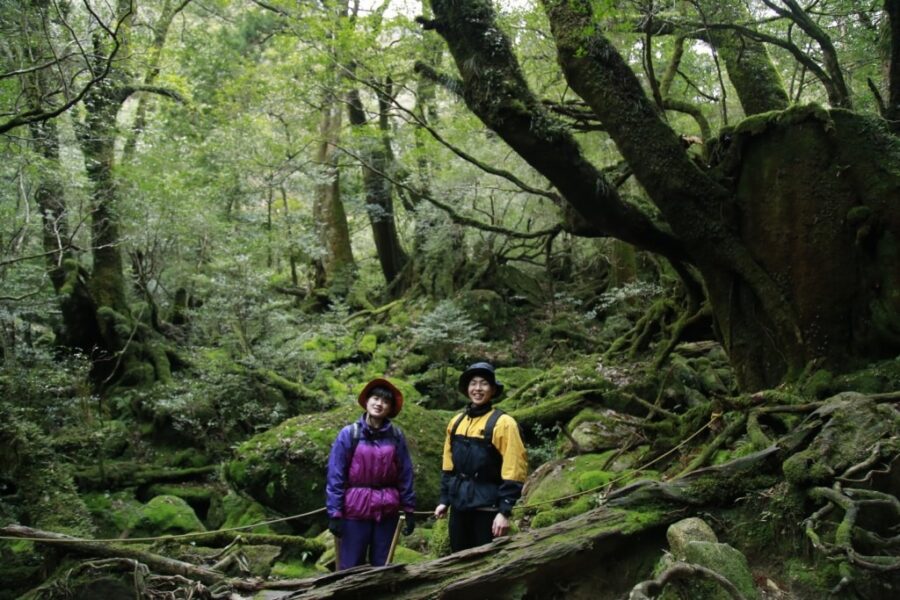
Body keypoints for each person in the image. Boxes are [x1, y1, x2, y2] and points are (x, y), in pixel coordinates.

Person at [434, 362, 527, 552]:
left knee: (486, 563)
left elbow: (514, 468)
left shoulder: (504, 423)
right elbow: (448, 464)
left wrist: (504, 511)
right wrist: (444, 499)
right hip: (459, 506)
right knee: (458, 558)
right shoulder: (456, 421)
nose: (477, 389)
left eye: (484, 383)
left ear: (492, 389)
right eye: (473, 383)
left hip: (488, 509)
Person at [326, 378, 416, 570]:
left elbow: (405, 473)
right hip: (355, 509)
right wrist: (335, 512)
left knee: (382, 566)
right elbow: (336, 475)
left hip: (387, 510)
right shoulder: (349, 434)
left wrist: (409, 509)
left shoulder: (396, 436)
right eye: (375, 398)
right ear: (367, 401)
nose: (379, 404)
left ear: (390, 407)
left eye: (385, 401)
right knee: (350, 567)